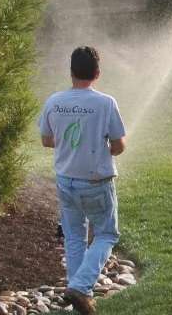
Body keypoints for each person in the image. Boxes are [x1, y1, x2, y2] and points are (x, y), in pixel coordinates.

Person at [38, 46, 126, 315]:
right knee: (107, 233)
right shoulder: (105, 102)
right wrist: (103, 149)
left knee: (75, 236)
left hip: (66, 181)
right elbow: (119, 146)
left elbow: (46, 140)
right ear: (97, 74)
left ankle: (79, 291)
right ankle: (81, 286)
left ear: (72, 72)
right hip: (96, 182)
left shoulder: (54, 101)